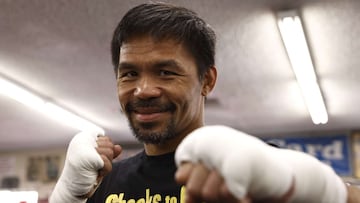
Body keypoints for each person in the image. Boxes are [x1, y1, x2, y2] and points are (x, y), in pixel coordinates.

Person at [49, 2, 360, 203]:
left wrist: (317, 189)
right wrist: (63, 197)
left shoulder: (257, 170)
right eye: (129, 73)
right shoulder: (103, 182)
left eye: (165, 72)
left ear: (207, 81)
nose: (143, 90)